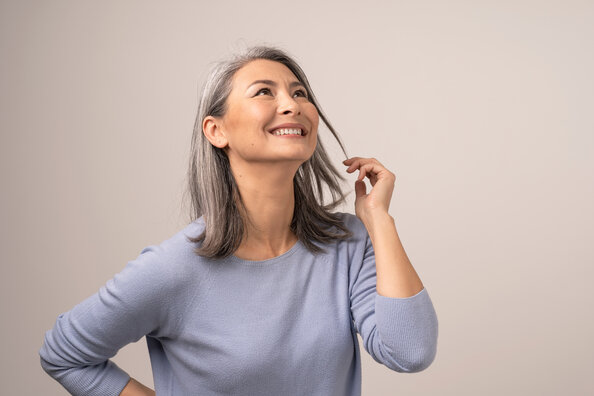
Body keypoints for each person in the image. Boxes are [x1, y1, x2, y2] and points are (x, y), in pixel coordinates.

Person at [39, 45, 439, 396]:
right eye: (265, 92)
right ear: (217, 131)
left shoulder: (349, 241)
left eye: (300, 93)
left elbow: (410, 352)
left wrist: (378, 220)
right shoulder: (173, 268)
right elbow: (63, 355)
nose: (292, 104)